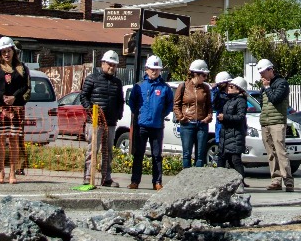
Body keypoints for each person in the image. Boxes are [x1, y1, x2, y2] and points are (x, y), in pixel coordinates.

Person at [0, 37, 30, 177]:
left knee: (15, 139)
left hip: (16, 107)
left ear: (13, 51)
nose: (6, 54)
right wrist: (2, 97)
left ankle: (13, 172)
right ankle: (0, 171)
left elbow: (25, 86)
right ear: (0, 53)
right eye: (3, 52)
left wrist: (15, 97)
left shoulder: (22, 68)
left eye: (8, 51)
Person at [128, 55, 174, 190]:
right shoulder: (139, 86)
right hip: (141, 125)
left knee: (156, 155)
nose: (154, 72)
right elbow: (132, 102)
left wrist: (161, 115)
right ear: (146, 69)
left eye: (157, 69)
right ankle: (135, 181)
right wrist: (139, 113)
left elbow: (169, 104)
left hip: (157, 126)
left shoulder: (165, 87)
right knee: (138, 154)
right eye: (152, 69)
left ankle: (157, 182)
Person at [81, 50, 124, 187]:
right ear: (103, 63)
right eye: (110, 64)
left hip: (110, 122)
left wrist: (118, 114)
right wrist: (90, 111)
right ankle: (88, 177)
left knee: (108, 151)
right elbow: (84, 96)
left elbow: (120, 101)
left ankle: (106, 177)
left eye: (114, 65)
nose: (112, 67)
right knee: (92, 149)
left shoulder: (117, 83)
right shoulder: (92, 78)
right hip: (95, 122)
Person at [256, 59, 294, 192]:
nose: (261, 76)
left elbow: (276, 99)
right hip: (265, 122)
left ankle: (288, 180)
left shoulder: (281, 83)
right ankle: (276, 180)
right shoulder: (264, 87)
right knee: (271, 153)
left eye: (263, 72)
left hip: (277, 122)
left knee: (280, 151)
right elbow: (262, 103)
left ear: (270, 70)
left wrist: (267, 87)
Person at [173, 59, 213, 169]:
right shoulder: (183, 86)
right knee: (187, 154)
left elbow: (209, 105)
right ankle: (186, 179)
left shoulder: (205, 88)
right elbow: (176, 104)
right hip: (187, 124)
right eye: (204, 75)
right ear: (196, 74)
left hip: (202, 124)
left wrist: (208, 117)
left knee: (200, 155)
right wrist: (181, 117)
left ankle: (198, 180)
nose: (205, 78)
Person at [216, 75, 250, 186]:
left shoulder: (241, 101)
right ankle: (218, 182)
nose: (228, 88)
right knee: (222, 159)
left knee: (235, 160)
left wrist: (225, 117)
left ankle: (240, 183)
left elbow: (240, 117)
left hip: (235, 135)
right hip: (226, 134)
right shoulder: (229, 100)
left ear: (239, 88)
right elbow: (215, 103)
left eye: (231, 86)